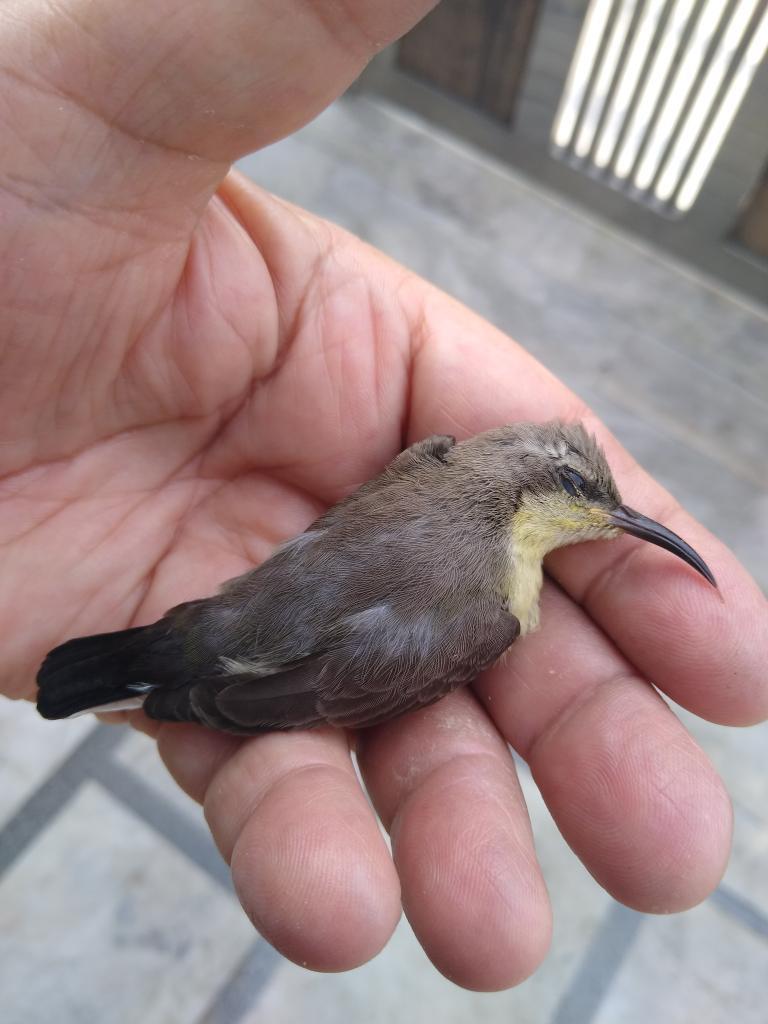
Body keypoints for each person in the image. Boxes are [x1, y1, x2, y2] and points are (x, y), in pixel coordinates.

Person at [1, 0, 765, 992]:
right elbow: (347, 676)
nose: (609, 522)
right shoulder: (493, 610)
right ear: (542, 493)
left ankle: (156, 662)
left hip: (246, 613)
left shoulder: (434, 462)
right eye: (592, 502)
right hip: (258, 640)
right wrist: (212, 698)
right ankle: (159, 665)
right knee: (208, 674)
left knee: (193, 657)